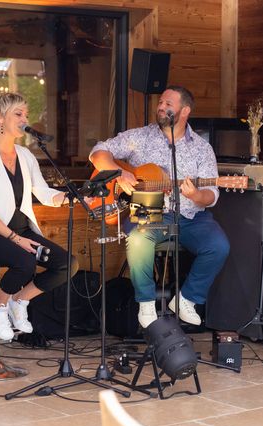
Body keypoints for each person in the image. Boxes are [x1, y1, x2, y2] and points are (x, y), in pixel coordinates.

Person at [89, 85, 229, 330]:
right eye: (160, 103)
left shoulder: (201, 149)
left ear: (184, 111)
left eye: (168, 104)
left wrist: (196, 195)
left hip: (189, 215)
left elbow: (211, 194)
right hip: (149, 213)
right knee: (139, 240)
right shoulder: (139, 137)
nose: (161, 107)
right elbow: (97, 153)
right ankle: (145, 302)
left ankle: (187, 299)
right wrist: (120, 173)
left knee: (218, 246)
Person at [0, 92, 78, 341]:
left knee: (67, 264)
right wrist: (16, 239)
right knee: (25, 262)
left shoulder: (25, 156)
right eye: (19, 113)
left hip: (21, 231)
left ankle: (18, 300)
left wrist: (74, 197)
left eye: (26, 113)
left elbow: (44, 193)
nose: (25, 118)